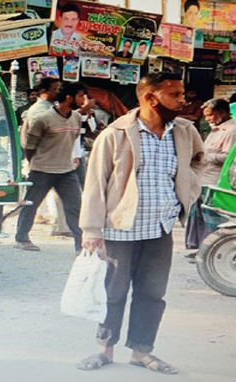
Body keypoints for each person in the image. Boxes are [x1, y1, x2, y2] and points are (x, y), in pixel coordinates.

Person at [77, 72, 204, 375]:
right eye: (174, 95)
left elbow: (197, 162)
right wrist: (91, 230)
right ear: (150, 98)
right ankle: (104, 350)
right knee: (113, 292)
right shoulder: (116, 134)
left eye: (181, 94)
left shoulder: (184, 131)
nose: (182, 101)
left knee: (152, 294)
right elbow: (95, 183)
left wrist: (188, 191)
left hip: (160, 229)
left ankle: (141, 352)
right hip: (120, 229)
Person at [14, 82, 86, 252]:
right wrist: (35, 164)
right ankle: (21, 237)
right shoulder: (43, 118)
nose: (84, 100)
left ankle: (81, 245)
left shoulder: (76, 118)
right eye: (81, 96)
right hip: (42, 170)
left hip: (66, 170)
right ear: (69, 98)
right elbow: (30, 146)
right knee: (31, 204)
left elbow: (74, 138)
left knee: (75, 207)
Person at [184, 99, 235, 261]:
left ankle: (210, 252)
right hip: (203, 178)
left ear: (222, 113)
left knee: (211, 220)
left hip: (216, 180)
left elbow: (228, 157)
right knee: (199, 216)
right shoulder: (215, 130)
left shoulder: (232, 131)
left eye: (211, 115)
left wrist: (206, 156)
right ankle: (200, 248)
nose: (208, 119)